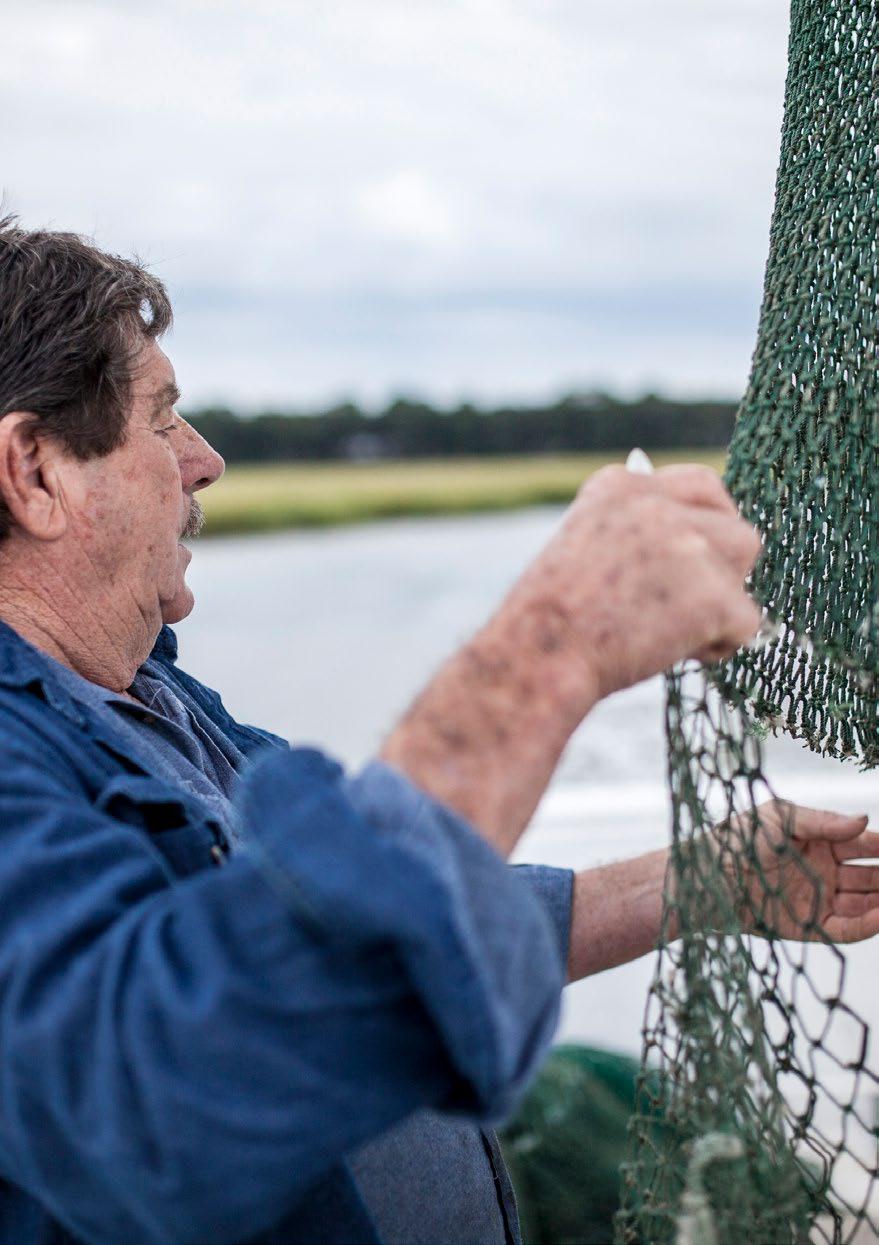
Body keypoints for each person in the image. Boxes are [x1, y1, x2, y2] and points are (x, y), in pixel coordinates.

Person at [0, 218, 876, 1245]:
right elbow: (158, 1113)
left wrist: (690, 884)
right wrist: (551, 645)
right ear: (37, 473)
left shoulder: (147, 698)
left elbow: (354, 928)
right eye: (163, 420)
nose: (206, 461)